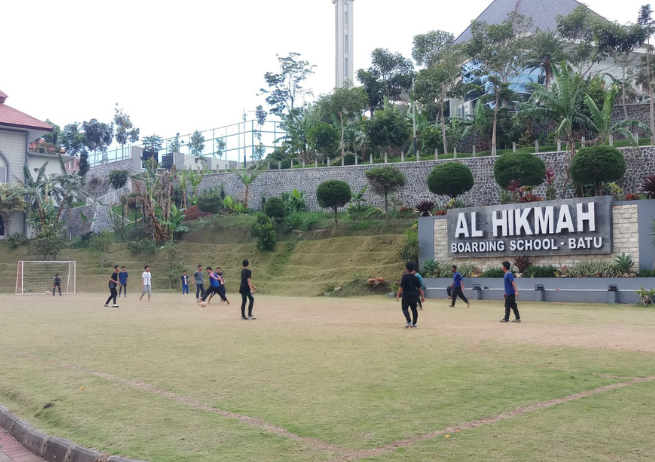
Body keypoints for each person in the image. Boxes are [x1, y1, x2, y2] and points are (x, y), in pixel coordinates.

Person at [396, 262, 425, 328]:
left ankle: (409, 322)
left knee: (404, 309)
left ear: (406, 269)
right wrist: (422, 296)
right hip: (414, 295)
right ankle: (414, 323)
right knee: (414, 309)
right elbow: (419, 288)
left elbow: (401, 288)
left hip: (406, 295)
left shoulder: (404, 277)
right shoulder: (415, 278)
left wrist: (398, 295)